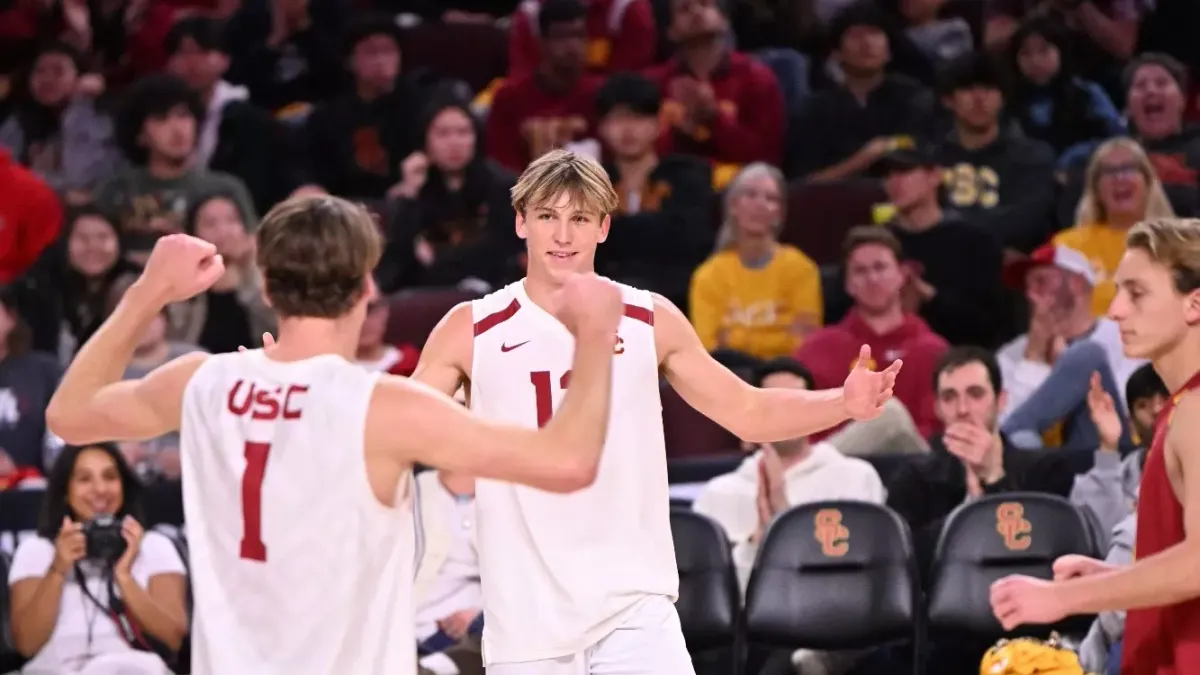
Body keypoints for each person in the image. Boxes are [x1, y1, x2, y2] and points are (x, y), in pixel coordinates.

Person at [42, 195, 632, 675]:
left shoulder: (204, 381)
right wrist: (595, 334)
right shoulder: (383, 407)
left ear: (266, 287)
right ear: (367, 288)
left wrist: (149, 292)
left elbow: (68, 415)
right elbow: (569, 463)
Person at [411, 148, 902, 675]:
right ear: (520, 221)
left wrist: (842, 402)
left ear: (603, 226)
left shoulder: (649, 317)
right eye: (547, 216)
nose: (562, 235)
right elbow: (402, 431)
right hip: (524, 615)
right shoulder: (472, 328)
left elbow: (746, 410)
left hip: (633, 608)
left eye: (578, 218)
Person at [990, 217, 1200, 675]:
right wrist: (1116, 579)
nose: (1117, 310)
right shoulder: (1182, 406)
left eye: (1137, 293)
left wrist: (1061, 598)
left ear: (1194, 304)